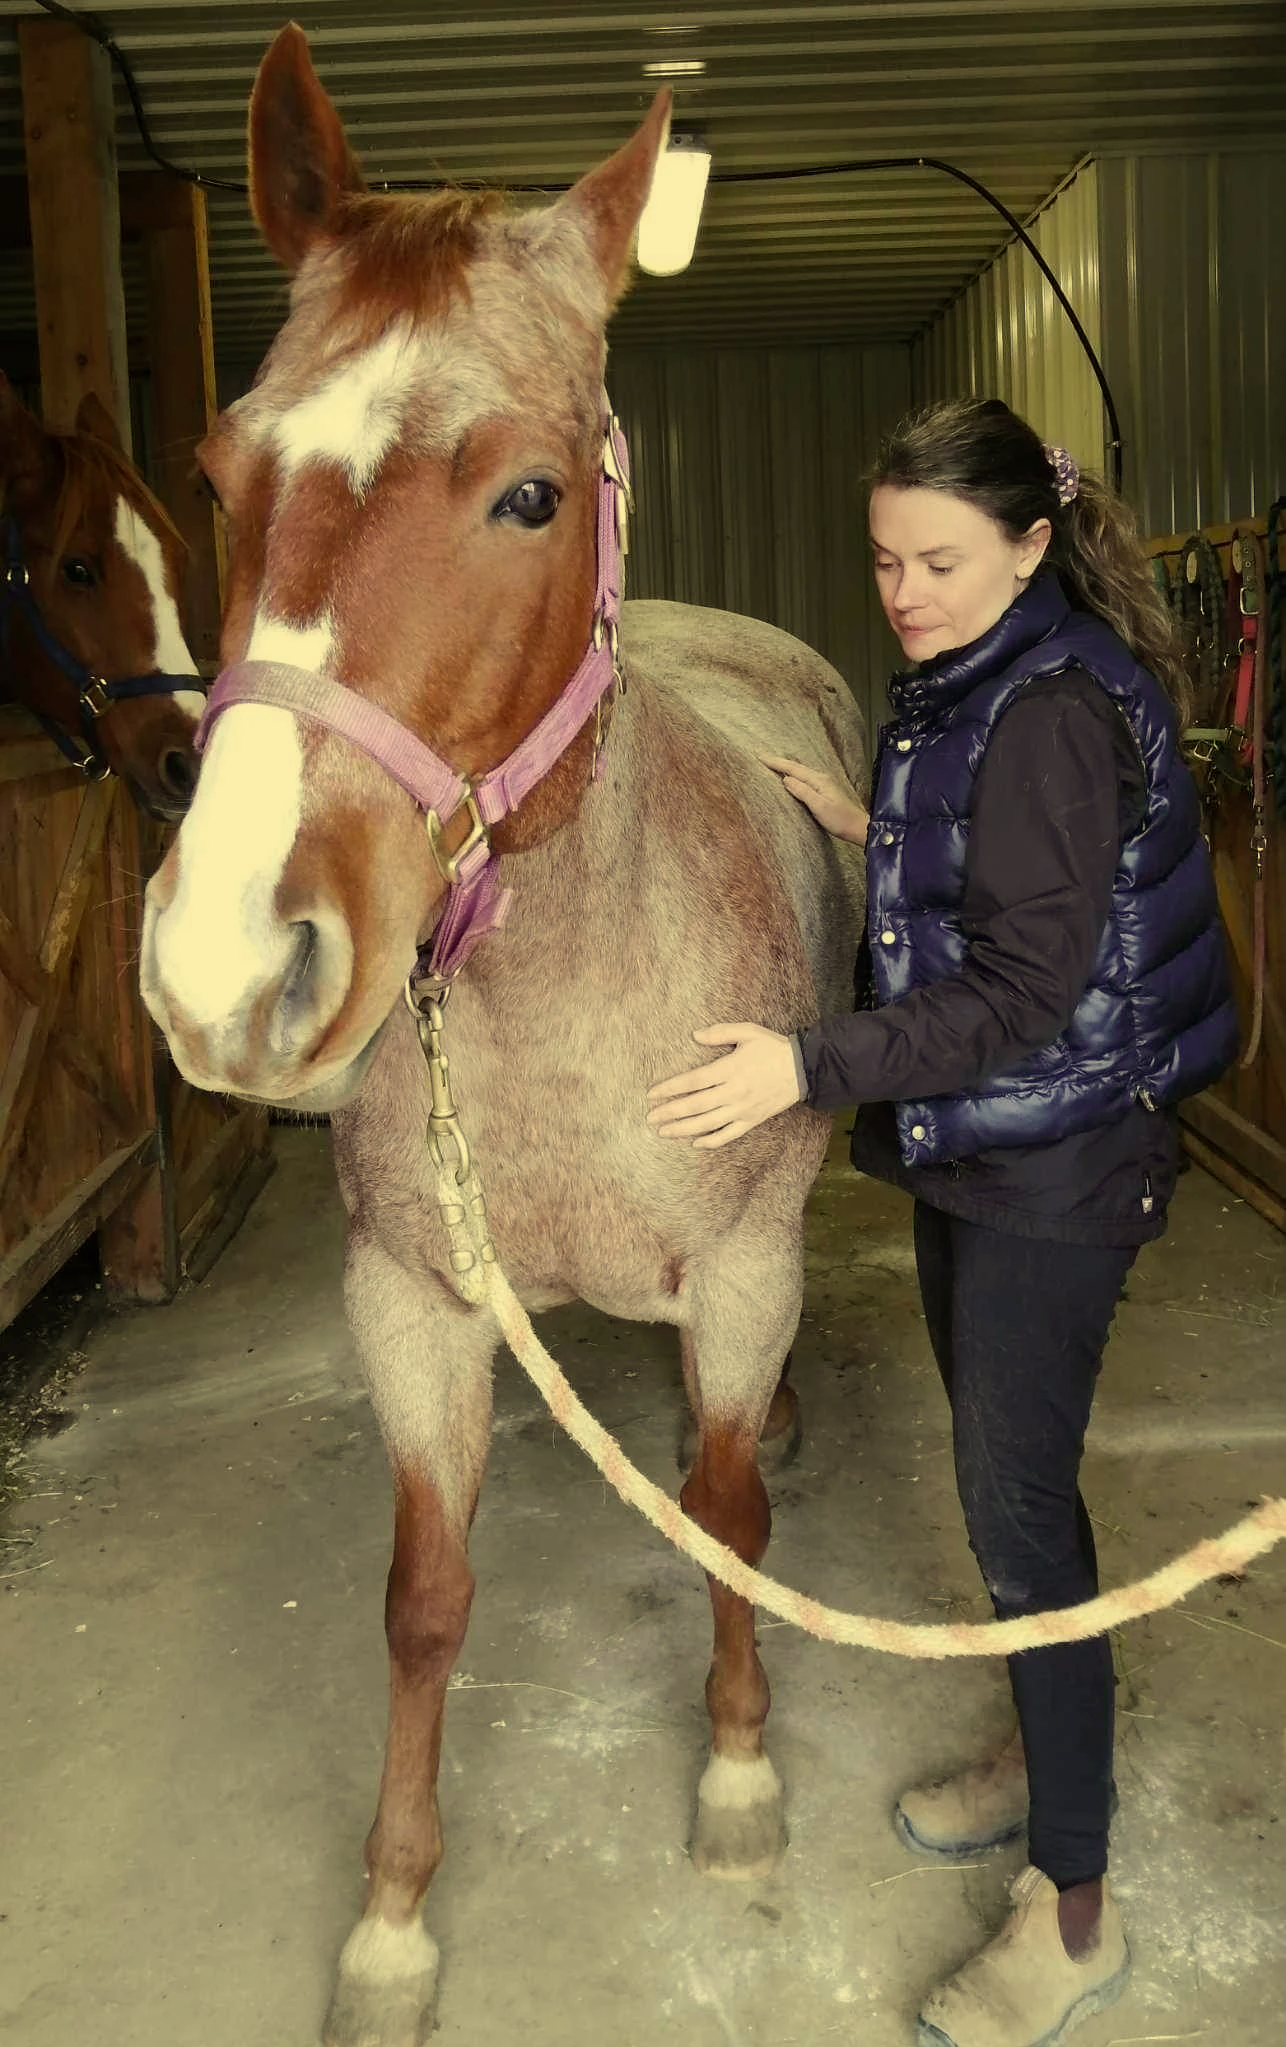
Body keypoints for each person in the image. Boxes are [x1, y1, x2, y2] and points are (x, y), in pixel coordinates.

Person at [647, 396, 1238, 2047]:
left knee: (1022, 1511)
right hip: (987, 1147)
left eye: (937, 561)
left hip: (1054, 1156)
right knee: (1004, 1501)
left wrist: (800, 1059)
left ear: (1031, 545)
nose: (901, 592)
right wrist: (869, 823)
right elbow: (1004, 858)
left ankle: (1074, 1909)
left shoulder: (1048, 707)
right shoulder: (987, 670)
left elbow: (1023, 993)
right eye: (884, 559)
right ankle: (1037, 1746)